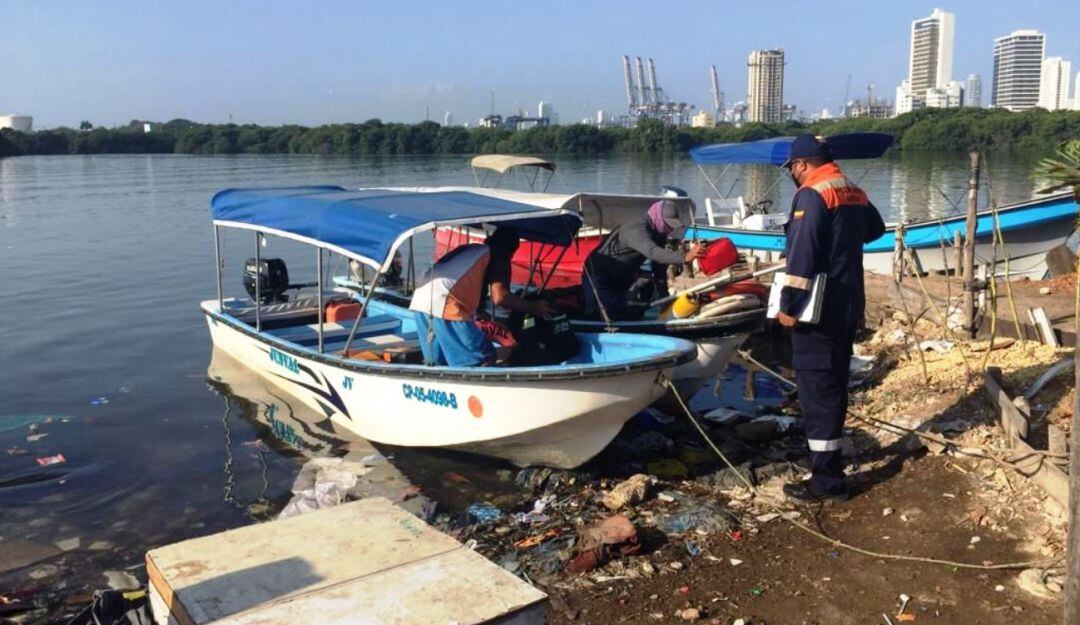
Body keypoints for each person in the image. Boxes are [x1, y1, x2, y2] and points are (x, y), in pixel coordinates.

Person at [776, 134, 886, 503]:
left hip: (817, 311)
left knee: (817, 390)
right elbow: (875, 229)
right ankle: (831, 464)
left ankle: (826, 482)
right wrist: (842, 241)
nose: (792, 174)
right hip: (849, 303)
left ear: (802, 163)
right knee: (835, 385)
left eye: (792, 168)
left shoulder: (811, 193)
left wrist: (788, 306)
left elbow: (802, 257)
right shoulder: (849, 188)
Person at [409, 226, 553, 367]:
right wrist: (533, 307)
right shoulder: (498, 255)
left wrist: (479, 312)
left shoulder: (472, 250)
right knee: (481, 357)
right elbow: (500, 297)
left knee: (435, 362)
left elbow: (463, 280)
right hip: (446, 303)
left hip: (421, 300)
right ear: (511, 248)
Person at [581, 196, 705, 320]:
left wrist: (664, 297)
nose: (670, 228)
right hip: (599, 278)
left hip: (620, 282)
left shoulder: (658, 233)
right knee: (604, 318)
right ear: (657, 217)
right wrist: (685, 257)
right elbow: (652, 252)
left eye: (672, 226)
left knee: (623, 315)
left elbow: (658, 266)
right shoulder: (636, 228)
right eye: (668, 224)